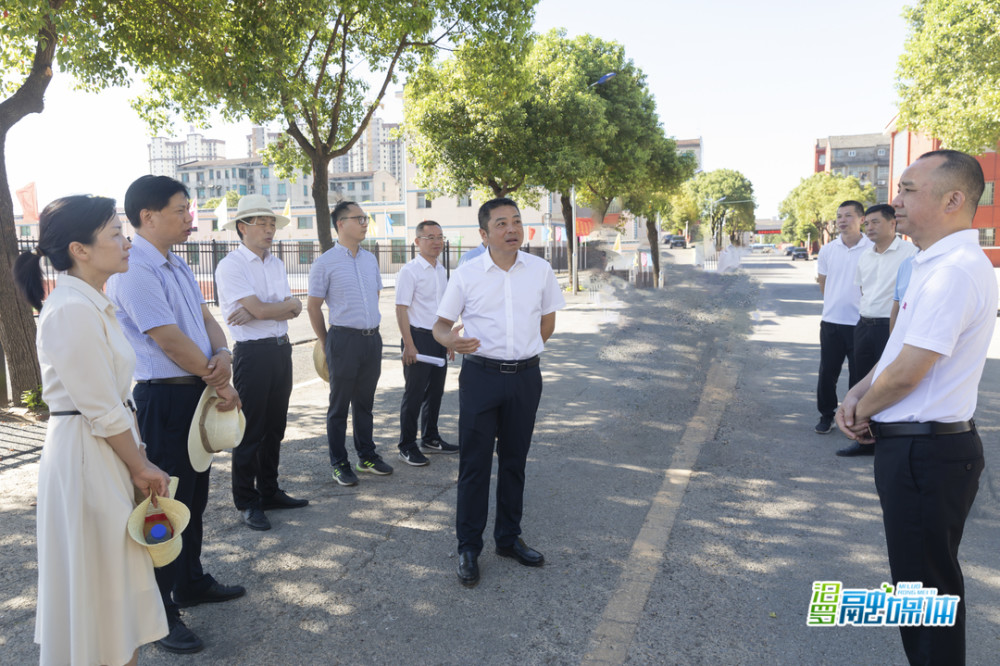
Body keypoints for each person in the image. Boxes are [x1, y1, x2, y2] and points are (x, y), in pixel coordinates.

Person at [837, 150, 995, 665]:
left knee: (927, 598)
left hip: (928, 453)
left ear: (953, 199)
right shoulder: (930, 264)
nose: (895, 200)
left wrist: (861, 411)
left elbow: (909, 373)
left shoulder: (955, 271)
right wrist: (859, 392)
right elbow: (896, 353)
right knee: (919, 591)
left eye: (907, 190)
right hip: (917, 449)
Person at [14, 196, 171, 666]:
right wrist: (140, 464)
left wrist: (136, 458)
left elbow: (111, 403)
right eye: (114, 234)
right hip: (88, 453)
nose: (126, 243)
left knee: (114, 585)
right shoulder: (71, 310)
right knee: (102, 585)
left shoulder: (89, 303)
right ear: (80, 249)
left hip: (103, 449)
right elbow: (101, 407)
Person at [107, 175, 244, 654]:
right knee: (163, 506)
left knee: (197, 498)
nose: (191, 217)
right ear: (148, 216)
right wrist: (220, 379)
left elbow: (206, 318)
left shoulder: (176, 263)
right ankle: (160, 613)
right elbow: (165, 337)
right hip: (166, 397)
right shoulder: (134, 269)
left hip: (198, 390)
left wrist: (223, 353)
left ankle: (190, 582)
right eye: (182, 210)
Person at [433, 197, 565, 588]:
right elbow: (441, 326)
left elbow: (547, 325)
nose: (512, 229)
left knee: (514, 461)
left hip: (525, 378)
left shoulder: (540, 270)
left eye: (517, 222)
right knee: (474, 465)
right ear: (484, 234)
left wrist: (520, 354)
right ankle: (468, 547)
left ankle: (508, 539)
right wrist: (450, 342)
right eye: (502, 223)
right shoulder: (468, 274)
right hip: (481, 378)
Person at [216, 195, 308, 531]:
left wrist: (274, 308)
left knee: (275, 427)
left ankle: (269, 491)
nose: (270, 229)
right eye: (262, 223)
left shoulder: (277, 263)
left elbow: (292, 306)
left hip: (281, 349)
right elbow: (270, 308)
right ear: (242, 227)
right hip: (252, 355)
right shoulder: (232, 265)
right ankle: (247, 499)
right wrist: (279, 307)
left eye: (272, 223)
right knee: (251, 430)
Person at [307, 200, 393, 486]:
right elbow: (313, 306)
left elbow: (375, 296)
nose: (365, 223)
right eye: (359, 218)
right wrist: (326, 341)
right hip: (342, 340)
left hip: (372, 338)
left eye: (366, 218)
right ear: (341, 224)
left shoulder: (370, 259)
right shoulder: (325, 262)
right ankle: (339, 462)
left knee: (365, 403)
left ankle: (366, 456)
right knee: (339, 405)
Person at [837, 204, 917, 457]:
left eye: (875, 222)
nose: (869, 228)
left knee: (887, 382)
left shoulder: (910, 253)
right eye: (867, 223)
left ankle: (889, 440)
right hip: (864, 324)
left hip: (889, 326)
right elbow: (863, 290)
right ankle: (863, 439)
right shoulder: (866, 255)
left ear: (892, 223)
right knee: (861, 381)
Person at [395, 220, 459, 466]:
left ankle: (430, 438)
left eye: (440, 237)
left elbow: (444, 310)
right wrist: (409, 345)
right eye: (430, 237)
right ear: (417, 241)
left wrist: (449, 338)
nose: (436, 242)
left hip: (438, 337)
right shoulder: (409, 271)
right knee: (414, 394)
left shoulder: (441, 269)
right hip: (417, 338)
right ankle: (407, 445)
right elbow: (401, 309)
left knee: (435, 392)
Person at [814, 200, 873, 434]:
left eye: (848, 216)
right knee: (827, 373)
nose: (842, 220)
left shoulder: (872, 248)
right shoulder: (828, 249)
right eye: (839, 216)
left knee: (858, 376)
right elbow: (823, 283)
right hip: (831, 322)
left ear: (862, 219)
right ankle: (826, 415)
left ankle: (853, 418)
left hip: (861, 322)